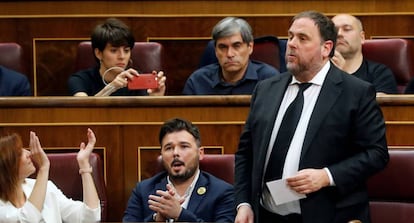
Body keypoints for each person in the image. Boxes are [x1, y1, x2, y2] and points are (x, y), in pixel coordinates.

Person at [234, 11, 389, 223]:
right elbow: (246, 153)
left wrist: (327, 176)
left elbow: (377, 154)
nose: (291, 44)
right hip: (266, 215)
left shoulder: (355, 92)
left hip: (328, 215)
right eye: (290, 37)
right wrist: (244, 203)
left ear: (326, 48)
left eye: (302, 38)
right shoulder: (266, 89)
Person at [123, 118, 234, 222]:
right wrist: (156, 219)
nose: (175, 153)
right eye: (169, 148)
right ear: (161, 154)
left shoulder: (222, 192)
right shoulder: (143, 191)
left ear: (200, 154)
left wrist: (180, 214)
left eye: (184, 146)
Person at [0, 128, 101, 222]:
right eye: (19, 153)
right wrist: (43, 168)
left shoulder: (46, 188)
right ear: (6, 165)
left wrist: (84, 166)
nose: (29, 153)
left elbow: (90, 217)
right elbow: (27, 219)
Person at [67, 18, 166, 96]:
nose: (122, 56)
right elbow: (83, 111)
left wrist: (155, 98)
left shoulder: (137, 80)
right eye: (114, 51)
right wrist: (112, 87)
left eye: (126, 51)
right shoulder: (80, 80)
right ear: (98, 53)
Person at [182, 17, 279, 95]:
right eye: (223, 47)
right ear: (215, 50)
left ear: (250, 47)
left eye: (236, 46)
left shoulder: (269, 80)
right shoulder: (198, 82)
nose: (229, 54)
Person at [331, 14, 398, 94]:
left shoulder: (379, 73)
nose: (339, 34)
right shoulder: (318, 72)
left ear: (362, 37)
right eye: (334, 30)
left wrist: (342, 76)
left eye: (347, 29)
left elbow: (375, 105)